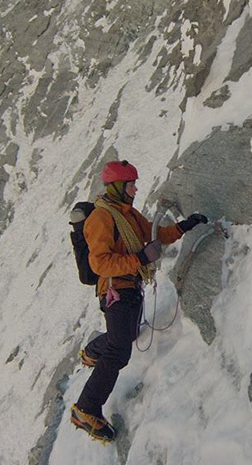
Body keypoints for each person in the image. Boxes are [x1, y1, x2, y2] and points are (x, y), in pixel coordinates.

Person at [70, 159, 208, 443]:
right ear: (118, 186)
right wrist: (140, 259)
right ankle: (86, 408)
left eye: (134, 184)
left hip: (129, 288)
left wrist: (184, 226)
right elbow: (100, 264)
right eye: (131, 184)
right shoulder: (102, 218)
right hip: (116, 290)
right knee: (120, 351)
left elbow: (153, 235)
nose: (135, 189)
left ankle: (92, 351)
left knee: (126, 335)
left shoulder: (127, 216)